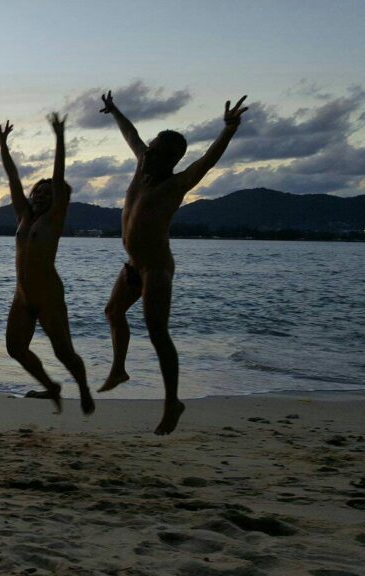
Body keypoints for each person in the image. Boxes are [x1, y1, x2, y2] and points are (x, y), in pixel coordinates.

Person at [99, 90, 249, 435]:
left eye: (156, 151)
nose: (148, 152)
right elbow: (131, 135)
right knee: (113, 312)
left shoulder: (177, 184)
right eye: (150, 148)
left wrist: (228, 130)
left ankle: (172, 402)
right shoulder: (142, 164)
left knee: (158, 333)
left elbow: (207, 161)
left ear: (171, 160)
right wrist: (115, 110)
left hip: (156, 270)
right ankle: (119, 369)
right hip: (133, 265)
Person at [0, 114, 94, 415]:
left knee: (64, 352)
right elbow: (13, 179)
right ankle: (51, 386)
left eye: (48, 194)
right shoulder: (23, 217)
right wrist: (3, 146)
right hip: (22, 296)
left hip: (48, 295)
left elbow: (58, 173)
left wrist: (59, 137)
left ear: (58, 200)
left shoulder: (54, 219)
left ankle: (83, 388)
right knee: (15, 348)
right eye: (38, 192)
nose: (40, 196)